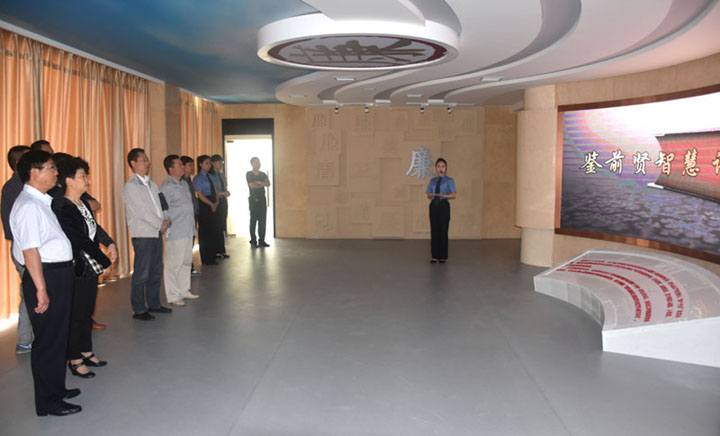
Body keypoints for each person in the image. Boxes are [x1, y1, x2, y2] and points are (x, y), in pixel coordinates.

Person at [10, 150, 81, 416]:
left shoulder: (41, 200)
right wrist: (41, 288)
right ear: (34, 172)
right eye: (51, 168)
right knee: (49, 340)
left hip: (56, 274)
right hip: (46, 276)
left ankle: (57, 389)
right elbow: (30, 251)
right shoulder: (28, 205)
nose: (56, 172)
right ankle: (49, 401)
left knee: (58, 336)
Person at [52, 158, 116, 378]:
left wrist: (109, 243)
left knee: (87, 310)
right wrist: (104, 261)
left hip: (89, 266)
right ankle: (74, 358)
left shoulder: (83, 204)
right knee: (75, 313)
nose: (87, 180)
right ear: (69, 180)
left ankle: (86, 350)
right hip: (76, 266)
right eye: (82, 176)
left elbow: (94, 228)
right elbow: (79, 239)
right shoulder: (62, 207)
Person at [123, 148, 172, 320]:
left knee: (156, 270)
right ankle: (138, 309)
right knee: (142, 272)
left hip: (156, 231)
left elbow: (161, 204)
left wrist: (165, 218)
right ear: (133, 163)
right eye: (143, 160)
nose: (147, 163)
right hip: (143, 234)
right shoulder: (131, 186)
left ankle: (154, 304)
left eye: (147, 160)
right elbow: (142, 211)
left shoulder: (152, 184)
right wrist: (160, 224)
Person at [2, 145, 32, 354]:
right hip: (25, 248)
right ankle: (25, 339)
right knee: (30, 292)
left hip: (30, 247)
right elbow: (14, 228)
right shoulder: (14, 188)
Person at [160, 155, 199, 306]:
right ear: (171, 169)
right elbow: (163, 208)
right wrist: (166, 222)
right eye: (180, 165)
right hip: (176, 230)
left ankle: (184, 290)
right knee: (173, 264)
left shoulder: (183, 183)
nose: (183, 167)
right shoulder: (166, 186)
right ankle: (173, 295)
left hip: (188, 228)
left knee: (186, 262)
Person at [425, 158, 456, 263]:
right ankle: (434, 256)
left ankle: (443, 256)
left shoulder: (449, 180)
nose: (440, 168)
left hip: (443, 206)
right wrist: (432, 195)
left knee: (443, 230)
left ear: (446, 168)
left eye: (442, 166)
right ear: (436, 168)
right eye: (438, 166)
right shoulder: (432, 181)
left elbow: (453, 195)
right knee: (434, 230)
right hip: (434, 205)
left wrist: (443, 195)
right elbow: (428, 195)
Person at [193, 155, 219, 265]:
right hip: (204, 203)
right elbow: (200, 194)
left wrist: (216, 202)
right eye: (206, 163)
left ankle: (212, 255)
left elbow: (215, 191)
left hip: (213, 201)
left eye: (209, 163)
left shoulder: (211, 176)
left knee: (213, 229)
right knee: (205, 231)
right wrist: (211, 204)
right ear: (200, 164)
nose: (209, 165)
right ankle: (205, 257)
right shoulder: (198, 178)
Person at [181, 155, 202, 276]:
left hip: (193, 214)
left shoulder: (189, 180)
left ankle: (190, 266)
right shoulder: (181, 181)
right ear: (183, 167)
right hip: (185, 217)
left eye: (193, 165)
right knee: (185, 243)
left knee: (191, 241)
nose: (192, 167)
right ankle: (186, 268)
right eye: (190, 165)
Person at [246, 157, 270, 248]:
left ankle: (262, 240)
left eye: (259, 162)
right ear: (252, 164)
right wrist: (261, 183)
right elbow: (252, 185)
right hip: (253, 199)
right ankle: (253, 240)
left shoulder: (263, 174)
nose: (258, 164)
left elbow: (268, 183)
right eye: (256, 162)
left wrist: (258, 183)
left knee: (262, 220)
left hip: (262, 199)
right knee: (253, 220)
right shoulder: (249, 174)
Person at [210, 154, 230, 258]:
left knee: (222, 225)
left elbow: (224, 187)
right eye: (218, 162)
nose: (220, 164)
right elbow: (212, 191)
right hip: (215, 201)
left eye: (221, 162)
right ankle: (216, 251)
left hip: (223, 201)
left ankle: (222, 250)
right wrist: (222, 193)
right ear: (213, 163)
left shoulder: (221, 175)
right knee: (216, 226)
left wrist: (226, 192)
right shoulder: (210, 176)